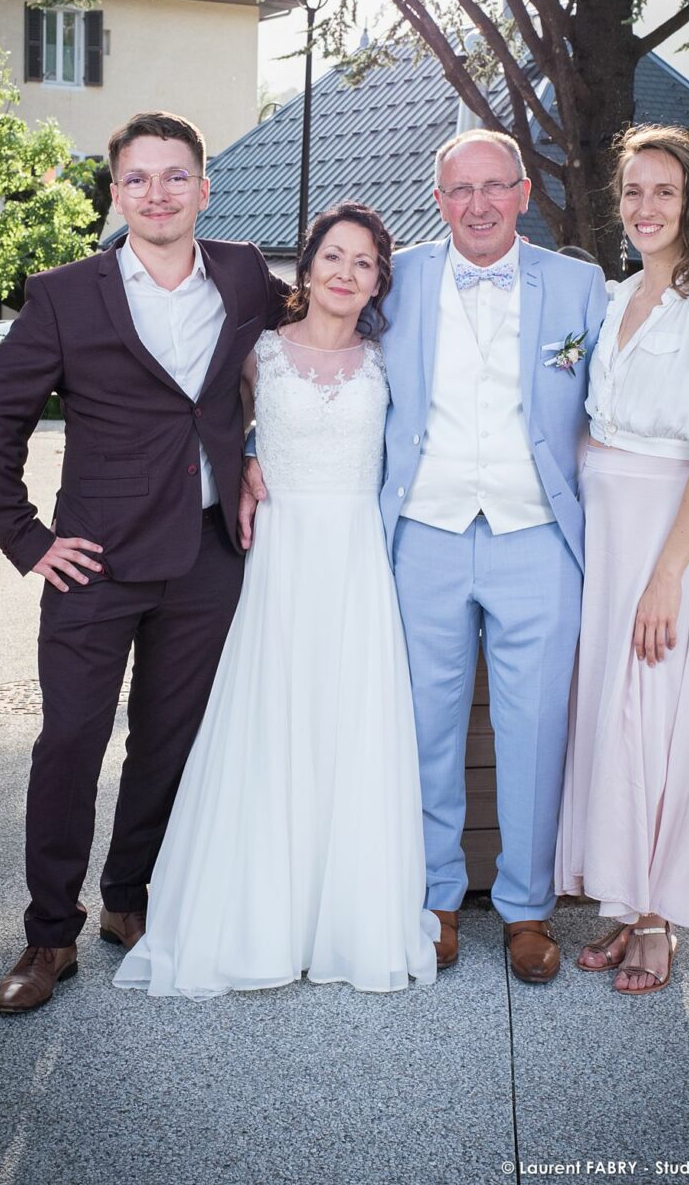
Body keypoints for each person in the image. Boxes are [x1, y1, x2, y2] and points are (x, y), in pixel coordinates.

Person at [0, 110, 287, 1014]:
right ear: (116, 194)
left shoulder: (244, 274)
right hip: (94, 562)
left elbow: (303, 347)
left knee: (168, 740)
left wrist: (253, 450)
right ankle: (48, 934)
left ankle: (128, 898)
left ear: (204, 188)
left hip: (208, 554)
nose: (158, 193)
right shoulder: (66, 295)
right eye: (138, 178)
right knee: (71, 740)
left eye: (176, 175)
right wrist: (28, 539)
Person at [114, 203, 438, 996]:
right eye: (333, 255)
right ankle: (261, 913)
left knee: (348, 725)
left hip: (356, 561)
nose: (345, 272)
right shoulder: (259, 351)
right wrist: (247, 462)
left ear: (379, 281)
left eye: (364, 262)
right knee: (270, 717)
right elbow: (208, 426)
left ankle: (344, 915)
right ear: (308, 264)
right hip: (279, 557)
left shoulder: (389, 360)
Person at [379, 129, 608, 983]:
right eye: (459, 190)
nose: (477, 205)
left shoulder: (580, 286)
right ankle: (436, 897)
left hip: (538, 537)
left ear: (522, 194)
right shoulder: (397, 277)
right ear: (438, 200)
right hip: (425, 534)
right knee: (425, 726)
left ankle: (527, 908)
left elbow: (617, 395)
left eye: (493, 187)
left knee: (536, 727)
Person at [556, 123, 689, 996]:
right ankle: (622, 899)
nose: (646, 207)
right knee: (608, 714)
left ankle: (656, 921)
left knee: (655, 715)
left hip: (668, 535)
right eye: (634, 191)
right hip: (605, 535)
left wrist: (668, 574)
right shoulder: (612, 300)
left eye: (665, 192)